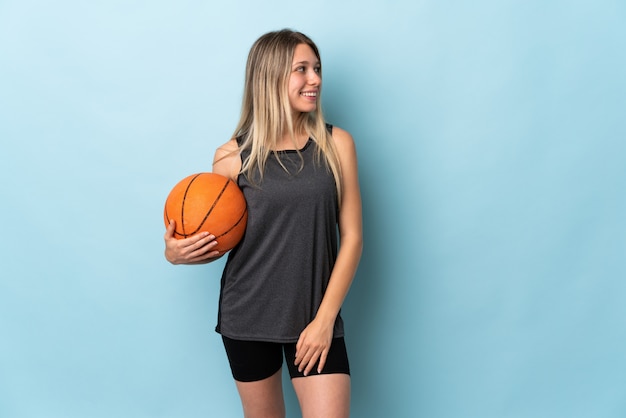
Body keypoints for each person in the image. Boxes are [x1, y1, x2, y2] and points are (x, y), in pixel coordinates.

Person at [164, 29, 362, 418]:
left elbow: (353, 237)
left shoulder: (337, 144)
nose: (315, 79)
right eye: (301, 69)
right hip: (248, 315)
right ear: (270, 77)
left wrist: (324, 321)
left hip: (313, 315)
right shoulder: (231, 157)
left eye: (317, 68)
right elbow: (217, 235)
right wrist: (176, 253)